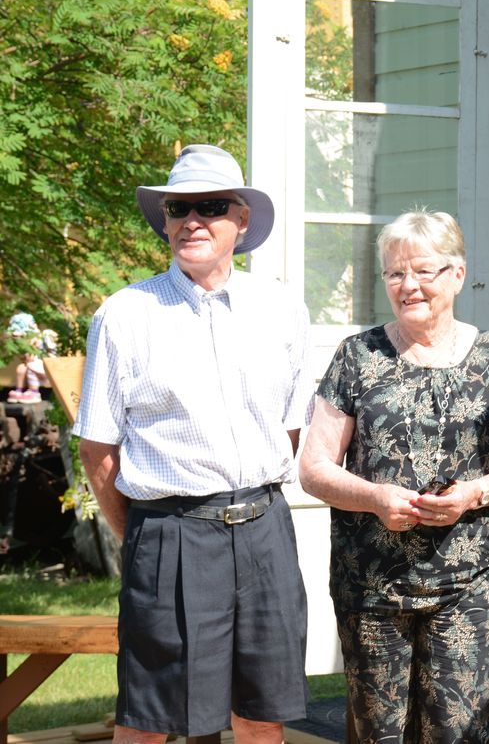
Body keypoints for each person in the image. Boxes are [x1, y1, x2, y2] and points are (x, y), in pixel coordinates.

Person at [73, 144, 311, 744]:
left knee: (261, 717)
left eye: (210, 206)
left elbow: (288, 428)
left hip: (264, 530)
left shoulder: (281, 308)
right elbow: (99, 449)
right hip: (171, 532)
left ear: (242, 220)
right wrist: (147, 535)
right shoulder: (124, 315)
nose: (191, 221)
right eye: (178, 209)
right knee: (152, 723)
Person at [298, 209, 489, 743]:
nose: (408, 285)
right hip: (372, 587)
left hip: (469, 585)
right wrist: (374, 497)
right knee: (379, 735)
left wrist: (475, 494)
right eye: (395, 273)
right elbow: (314, 469)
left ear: (457, 274)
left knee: (461, 733)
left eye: (425, 271)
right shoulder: (356, 357)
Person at [5, 313, 55, 404]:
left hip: (43, 367)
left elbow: (31, 358)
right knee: (21, 368)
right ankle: (19, 390)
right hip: (34, 364)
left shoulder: (36, 340)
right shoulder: (25, 343)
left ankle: (34, 392)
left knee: (31, 366)